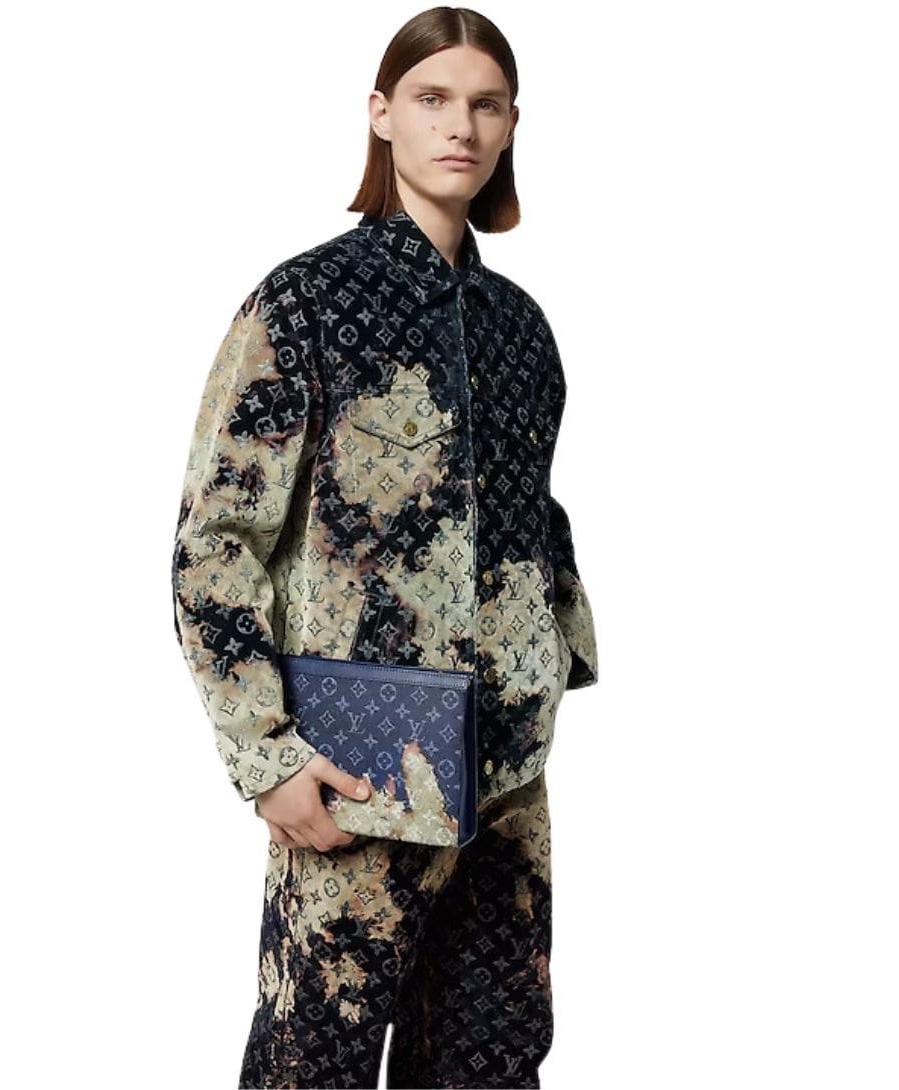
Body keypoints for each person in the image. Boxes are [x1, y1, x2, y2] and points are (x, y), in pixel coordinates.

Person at [170, 8, 598, 1087]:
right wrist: (265, 756)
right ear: (381, 114)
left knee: (492, 1065)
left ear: (510, 126)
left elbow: (533, 523)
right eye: (431, 98)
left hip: (505, 784)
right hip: (358, 776)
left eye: (485, 104)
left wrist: (552, 666)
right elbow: (215, 543)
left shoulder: (522, 330)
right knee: (312, 1064)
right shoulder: (304, 303)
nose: (461, 125)